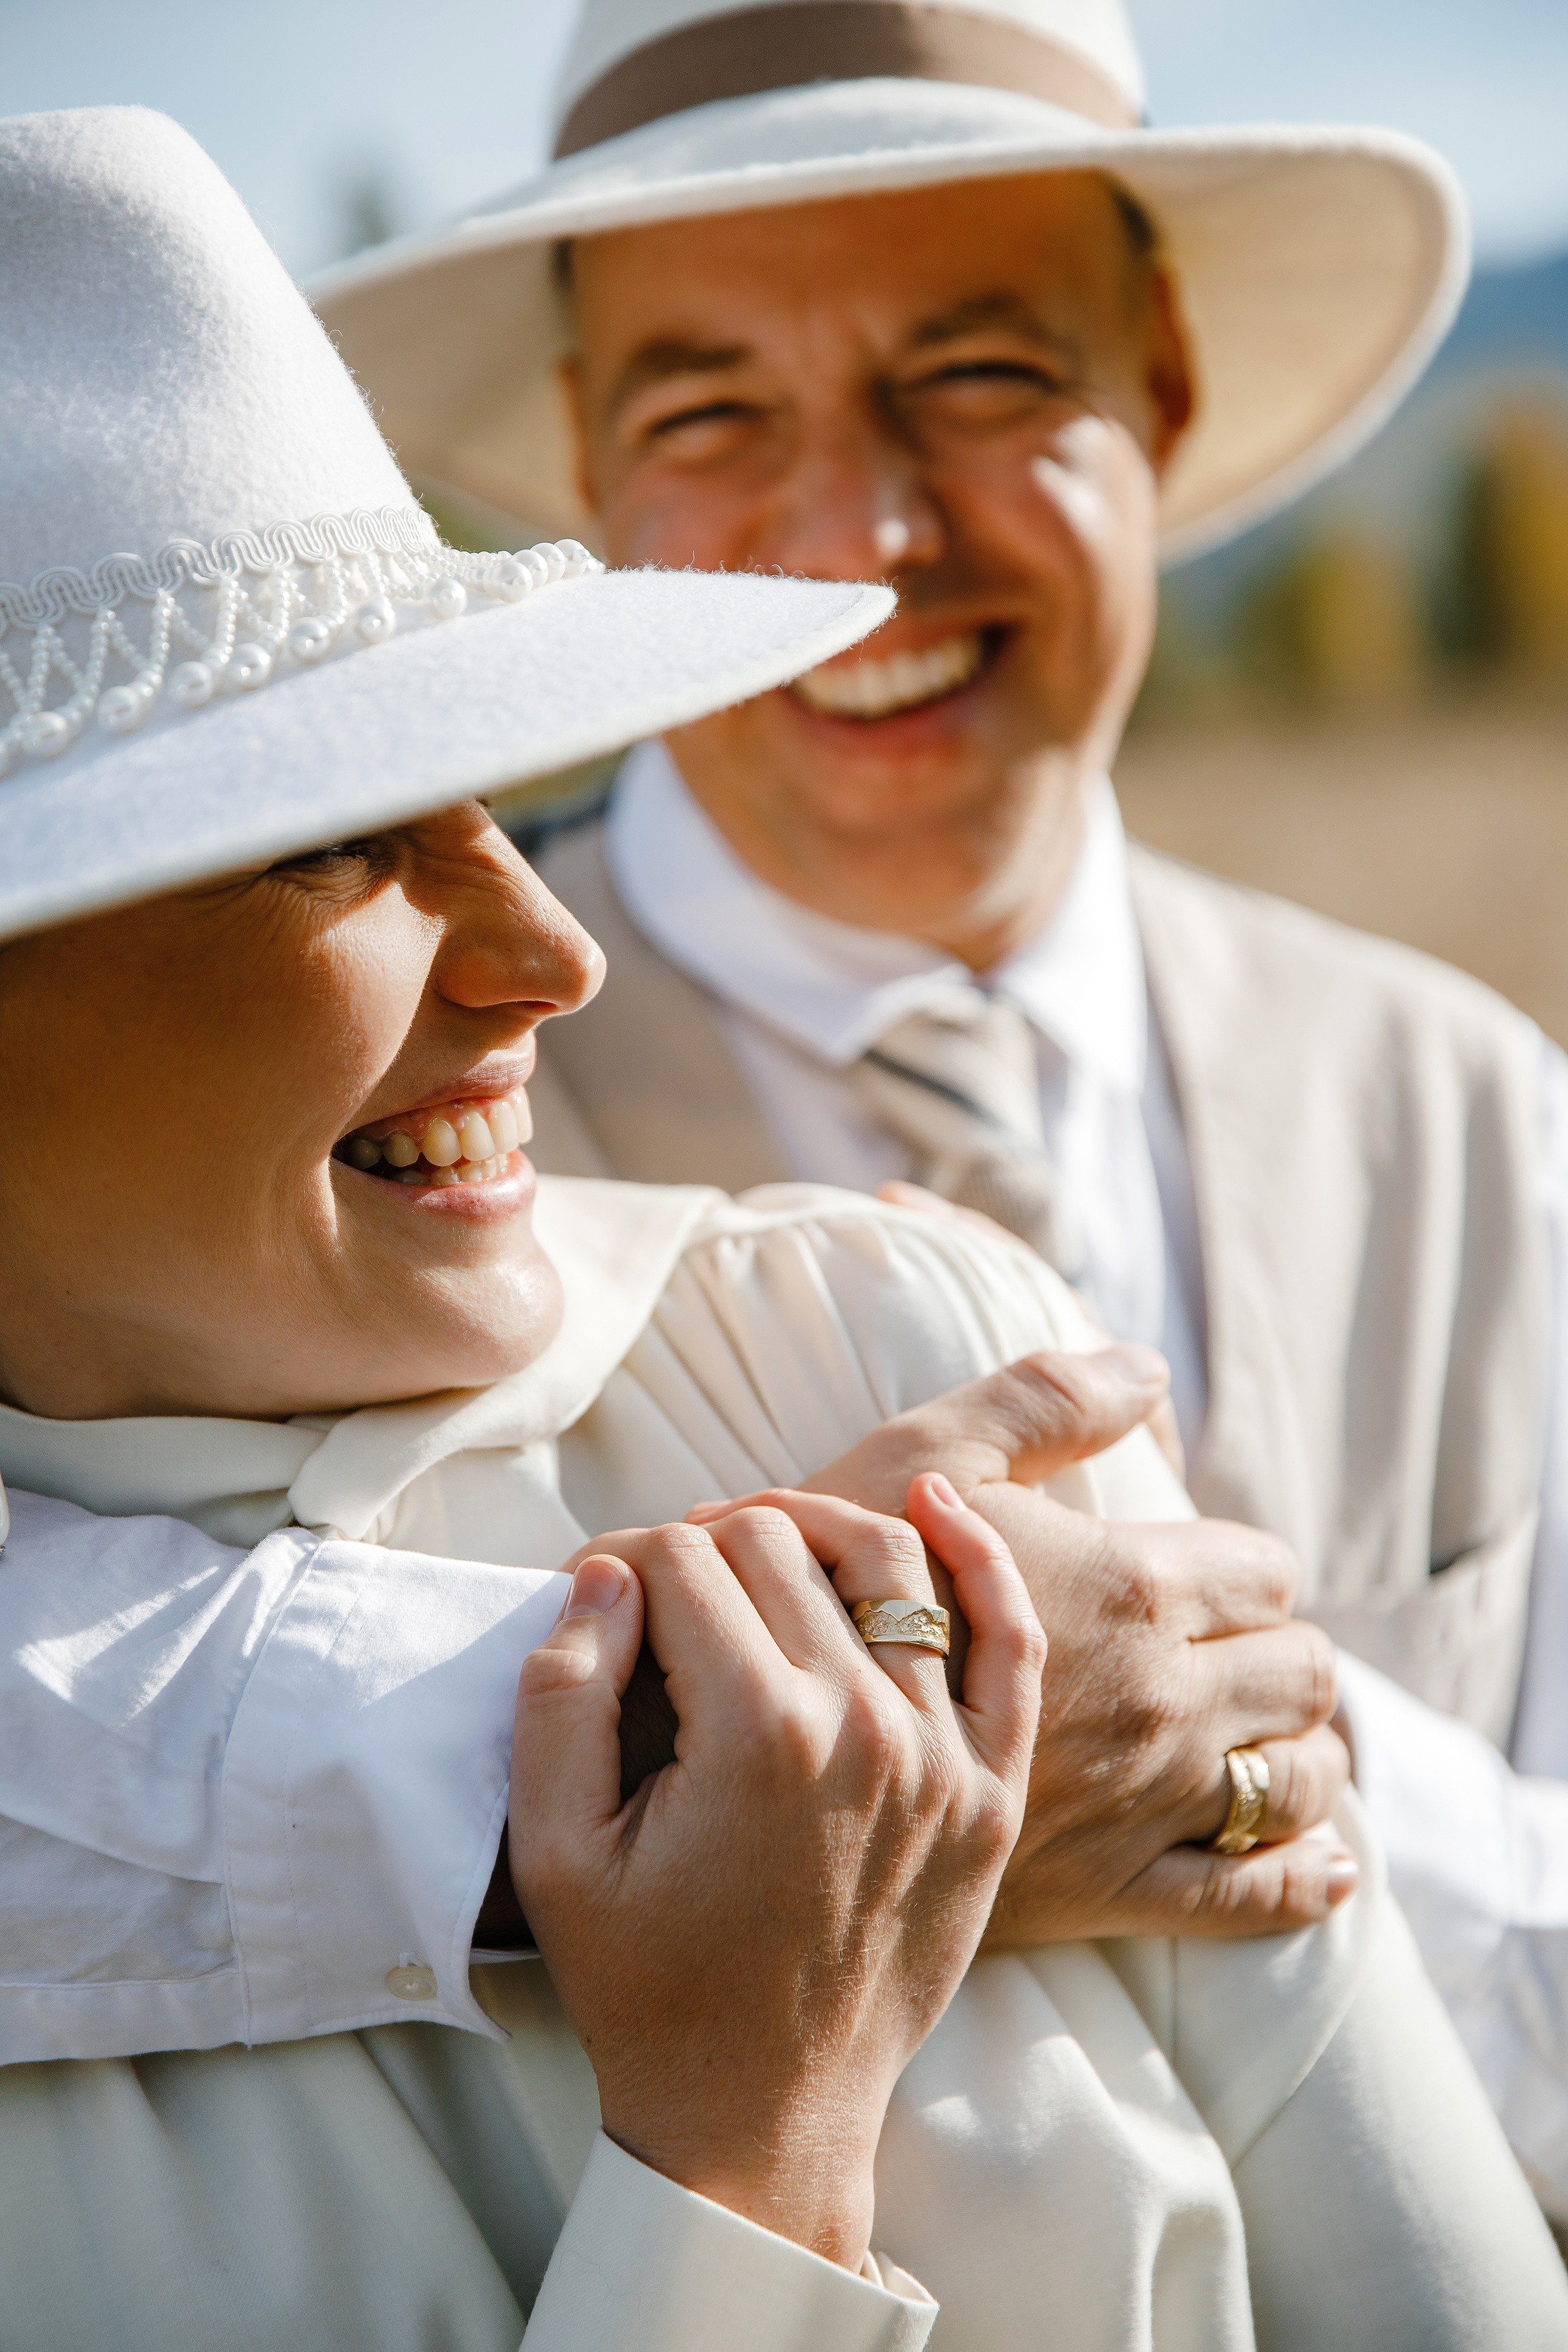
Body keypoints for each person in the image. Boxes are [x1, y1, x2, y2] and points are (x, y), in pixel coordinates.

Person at [3, 100, 1566, 2352]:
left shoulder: (932, 1319)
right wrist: (695, 1789)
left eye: (994, 374)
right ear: (582, 457)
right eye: (324, 838)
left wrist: (1172, 1712)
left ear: (1166, 399)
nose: (552, 951)